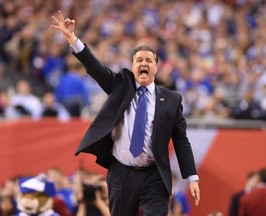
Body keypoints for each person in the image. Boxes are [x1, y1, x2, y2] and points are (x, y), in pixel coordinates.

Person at [51, 11, 200, 216]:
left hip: (154, 175)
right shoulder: (120, 84)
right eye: (139, 60)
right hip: (121, 173)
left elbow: (181, 141)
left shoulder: (172, 100)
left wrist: (192, 177)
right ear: (132, 66)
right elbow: (96, 68)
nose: (144, 64)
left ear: (156, 67)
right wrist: (73, 40)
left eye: (149, 60)